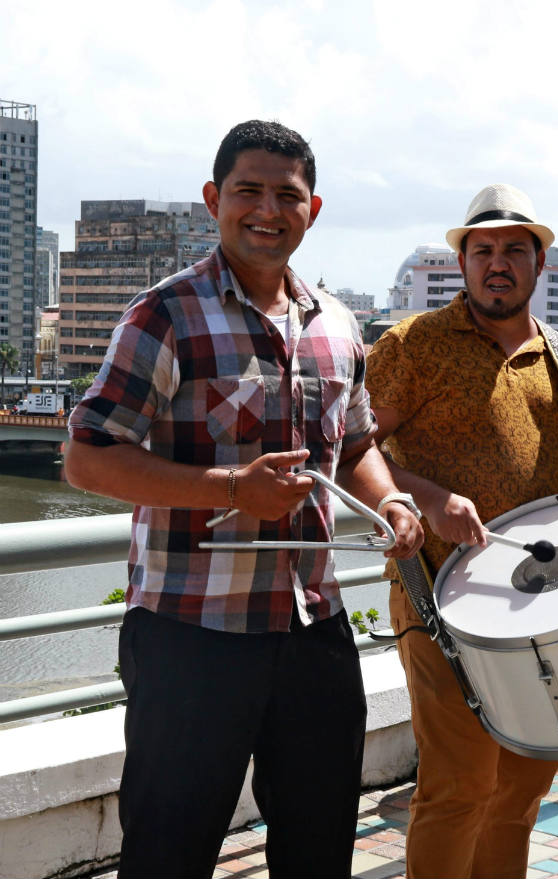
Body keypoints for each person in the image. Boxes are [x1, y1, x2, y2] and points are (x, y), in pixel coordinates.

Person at [64, 120, 423, 879]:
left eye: (286, 195)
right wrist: (230, 489)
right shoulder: (164, 315)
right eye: (247, 191)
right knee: (169, 849)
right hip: (190, 631)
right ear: (212, 200)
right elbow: (87, 456)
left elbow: (356, 448)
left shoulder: (338, 325)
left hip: (312, 624)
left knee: (320, 845)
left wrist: (389, 504)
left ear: (313, 209)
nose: (268, 210)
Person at [365, 183, 558, 878]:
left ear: (540, 264)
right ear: (463, 263)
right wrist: (429, 498)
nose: (496, 263)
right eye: (482, 250)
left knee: (523, 790)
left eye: (512, 250)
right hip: (438, 599)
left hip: (542, 611)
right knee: (460, 785)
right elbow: (353, 449)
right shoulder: (413, 344)